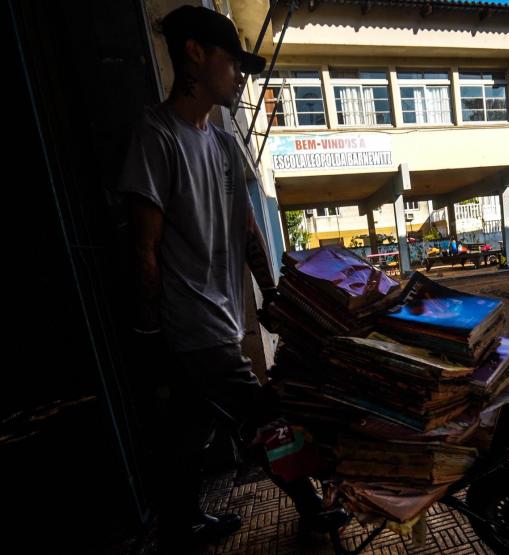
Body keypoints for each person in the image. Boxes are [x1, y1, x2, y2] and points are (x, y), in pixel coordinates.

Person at [116, 5, 324, 549]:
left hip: (222, 319)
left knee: (192, 430)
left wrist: (273, 294)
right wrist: (148, 336)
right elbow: (144, 249)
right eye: (232, 64)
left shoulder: (224, 143)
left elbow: (249, 231)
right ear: (195, 54)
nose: (239, 77)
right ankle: (312, 507)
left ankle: (180, 523)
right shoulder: (156, 135)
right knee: (265, 418)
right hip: (191, 325)